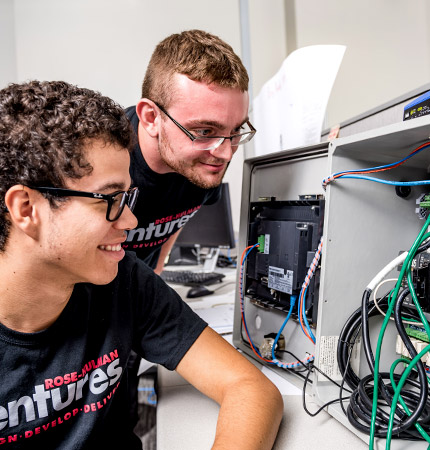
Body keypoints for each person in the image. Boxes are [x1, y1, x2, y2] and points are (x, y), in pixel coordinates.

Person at [0, 80, 283, 449]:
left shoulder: (124, 280)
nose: (131, 222)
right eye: (110, 198)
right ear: (27, 209)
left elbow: (250, 387)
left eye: (127, 197)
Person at [124, 29, 255, 273]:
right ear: (151, 118)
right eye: (205, 131)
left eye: (236, 130)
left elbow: (176, 216)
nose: (226, 154)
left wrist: (157, 271)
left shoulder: (207, 159)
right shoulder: (101, 159)